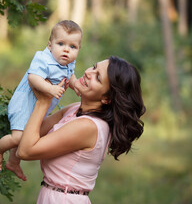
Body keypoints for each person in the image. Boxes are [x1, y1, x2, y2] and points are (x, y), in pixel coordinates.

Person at [17, 56, 146, 203]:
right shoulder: (75, 109)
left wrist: (43, 101)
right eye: (94, 66)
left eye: (98, 78)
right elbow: (29, 134)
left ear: (107, 99)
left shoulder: (88, 126)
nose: (88, 73)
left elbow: (25, 150)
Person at [0, 20, 82, 180]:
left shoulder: (68, 63)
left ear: (78, 49)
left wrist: (76, 85)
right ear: (50, 45)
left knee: (27, 135)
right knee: (18, 138)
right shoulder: (43, 59)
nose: (66, 50)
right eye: (61, 44)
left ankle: (13, 162)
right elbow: (33, 78)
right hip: (24, 104)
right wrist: (51, 89)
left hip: (39, 108)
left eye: (72, 47)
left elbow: (71, 76)